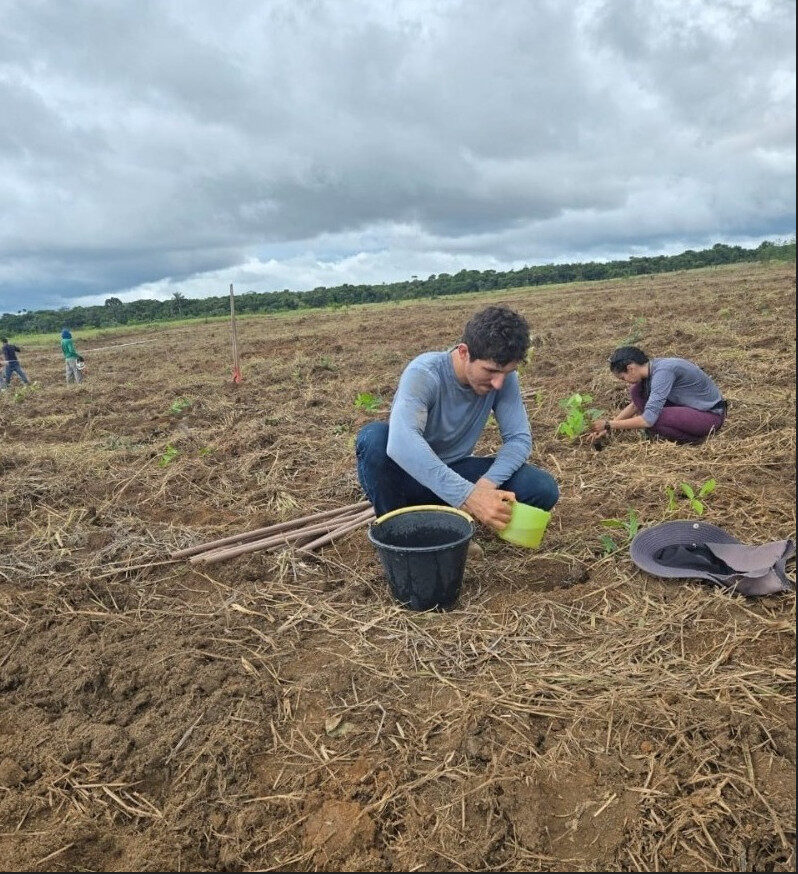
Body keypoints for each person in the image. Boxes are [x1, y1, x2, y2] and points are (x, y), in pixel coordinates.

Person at [355, 305, 559, 531]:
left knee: (541, 488)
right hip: (407, 479)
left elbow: (518, 439)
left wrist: (485, 487)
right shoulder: (425, 373)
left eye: (506, 372)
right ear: (464, 352)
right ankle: (401, 531)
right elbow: (402, 444)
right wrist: (468, 496)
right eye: (490, 371)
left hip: (456, 470)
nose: (498, 383)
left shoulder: (503, 380)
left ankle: (450, 518)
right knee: (374, 438)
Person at [589, 346, 726, 445]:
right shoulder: (651, 369)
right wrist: (607, 429)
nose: (624, 382)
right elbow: (634, 406)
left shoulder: (663, 372)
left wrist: (609, 424)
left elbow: (648, 420)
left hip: (710, 416)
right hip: (690, 409)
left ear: (631, 368)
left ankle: (695, 440)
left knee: (655, 419)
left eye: (623, 378)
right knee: (637, 392)